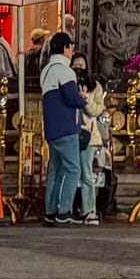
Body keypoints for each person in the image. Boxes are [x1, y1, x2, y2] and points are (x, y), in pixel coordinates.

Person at [40, 31, 86, 225]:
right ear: (65, 48)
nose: (73, 51)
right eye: (71, 47)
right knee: (73, 169)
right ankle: (64, 210)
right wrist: (82, 98)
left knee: (56, 170)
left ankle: (50, 211)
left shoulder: (46, 70)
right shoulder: (65, 71)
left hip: (51, 129)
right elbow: (72, 98)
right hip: (66, 128)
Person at [69, 52, 107, 225]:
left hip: (88, 135)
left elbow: (97, 110)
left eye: (81, 65)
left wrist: (85, 101)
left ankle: (89, 210)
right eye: (75, 65)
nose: (78, 69)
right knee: (70, 172)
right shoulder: (69, 85)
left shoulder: (95, 87)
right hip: (69, 132)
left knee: (86, 173)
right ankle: (68, 209)